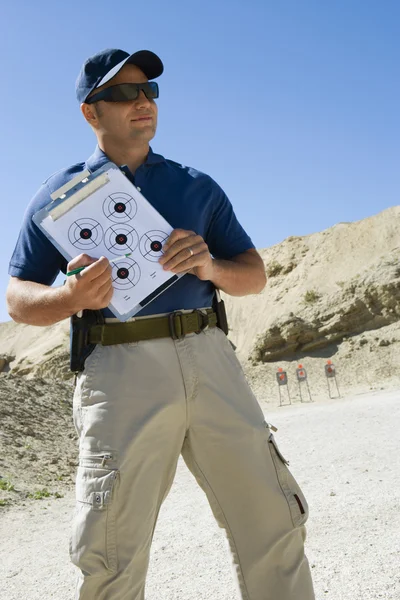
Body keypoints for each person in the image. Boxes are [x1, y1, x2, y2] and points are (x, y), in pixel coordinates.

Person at [6, 48, 315, 600]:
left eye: (149, 91)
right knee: (111, 551)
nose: (142, 102)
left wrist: (209, 265)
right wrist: (70, 296)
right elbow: (18, 298)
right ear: (90, 113)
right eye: (123, 94)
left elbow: (253, 276)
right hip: (119, 370)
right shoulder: (57, 196)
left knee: (273, 520)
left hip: (209, 355)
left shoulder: (198, 186)